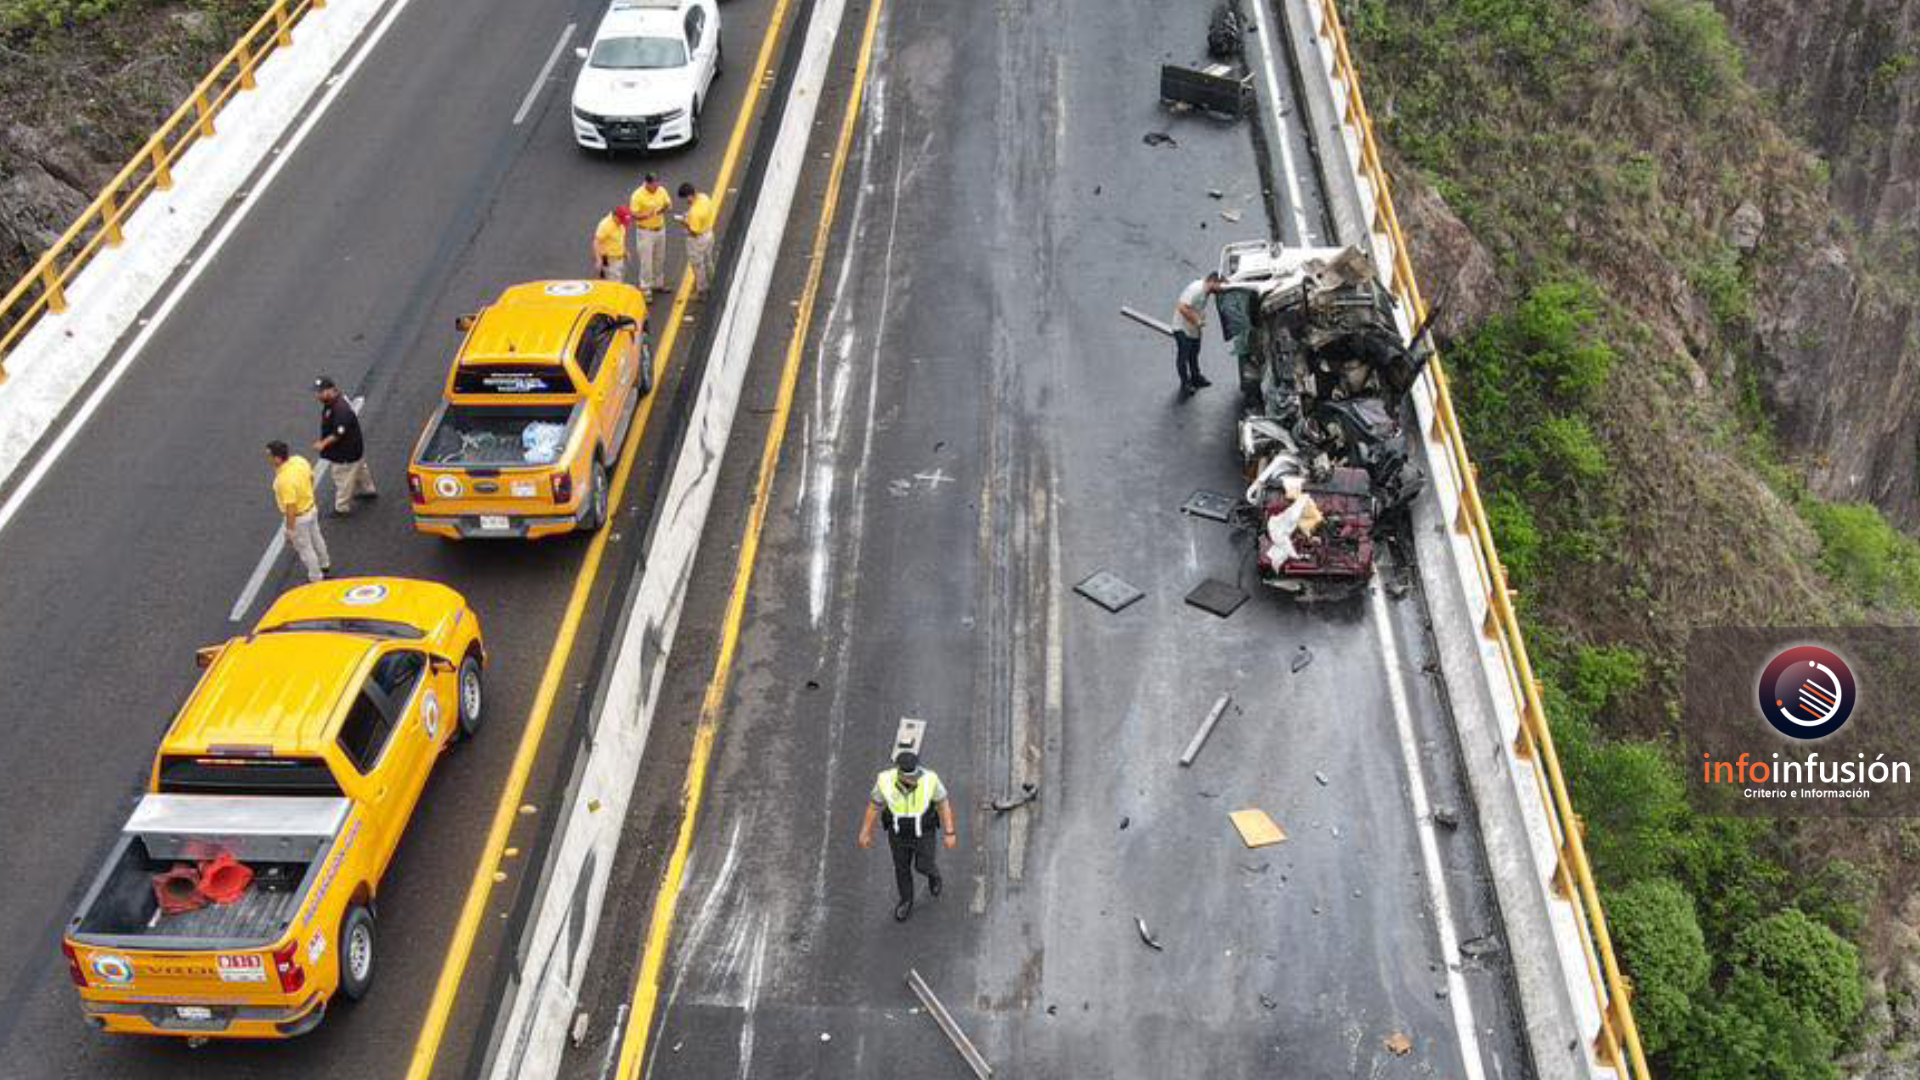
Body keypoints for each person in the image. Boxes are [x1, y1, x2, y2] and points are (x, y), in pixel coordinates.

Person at [857, 750, 957, 922]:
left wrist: (950, 832)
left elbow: (943, 803)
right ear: (898, 771)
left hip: (924, 832)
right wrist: (865, 831)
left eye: (915, 774)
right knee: (901, 868)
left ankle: (933, 875)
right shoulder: (885, 780)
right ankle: (906, 900)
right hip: (898, 835)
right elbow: (874, 806)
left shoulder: (930, 779)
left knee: (923, 865)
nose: (913, 779)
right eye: (908, 776)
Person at [268, 440, 330, 583]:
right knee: (317, 537)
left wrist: (289, 530)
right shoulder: (299, 460)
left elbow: (291, 506)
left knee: (305, 548)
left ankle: (316, 577)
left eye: (270, 456)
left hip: (299, 518)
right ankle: (325, 564)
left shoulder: (284, 480)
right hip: (311, 507)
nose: (269, 459)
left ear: (277, 458)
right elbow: (311, 477)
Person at [313, 377, 376, 514]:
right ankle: (368, 489)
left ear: (331, 390)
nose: (317, 395)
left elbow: (338, 433)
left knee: (342, 479)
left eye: (321, 391)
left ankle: (341, 508)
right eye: (317, 391)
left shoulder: (340, 409)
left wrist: (322, 444)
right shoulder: (336, 401)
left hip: (345, 453)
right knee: (359, 468)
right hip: (354, 448)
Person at [1172, 272, 1223, 395]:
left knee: (1194, 353)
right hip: (1182, 328)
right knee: (1183, 356)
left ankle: (1196, 377)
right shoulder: (1196, 289)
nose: (1221, 289)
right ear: (1213, 282)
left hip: (1193, 329)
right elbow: (1182, 307)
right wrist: (1197, 320)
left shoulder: (1206, 292)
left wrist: (1199, 319)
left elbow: (1195, 307)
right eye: (1219, 286)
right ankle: (1185, 383)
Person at [629, 173, 672, 294]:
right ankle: (646, 288)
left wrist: (664, 209)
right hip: (645, 232)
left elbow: (668, 205)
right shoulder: (637, 195)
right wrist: (647, 215)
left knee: (659, 258)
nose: (657, 186)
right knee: (646, 261)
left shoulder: (661, 190)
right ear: (647, 183)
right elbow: (634, 215)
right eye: (654, 184)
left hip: (660, 229)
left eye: (658, 183)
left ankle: (658, 283)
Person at [675, 182, 716, 297]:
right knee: (708, 260)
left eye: (685, 198)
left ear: (689, 196)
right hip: (709, 233)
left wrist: (684, 222)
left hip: (698, 240)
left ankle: (702, 290)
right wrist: (688, 215)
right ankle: (713, 281)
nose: (686, 201)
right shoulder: (704, 197)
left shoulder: (694, 213)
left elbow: (694, 232)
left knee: (698, 265)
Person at [593, 205, 632, 282]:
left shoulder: (621, 224)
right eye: (621, 221)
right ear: (615, 217)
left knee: (618, 282)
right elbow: (596, 242)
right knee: (612, 285)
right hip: (609, 260)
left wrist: (625, 251)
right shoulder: (605, 225)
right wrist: (598, 259)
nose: (623, 223)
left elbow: (619, 239)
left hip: (619, 258)